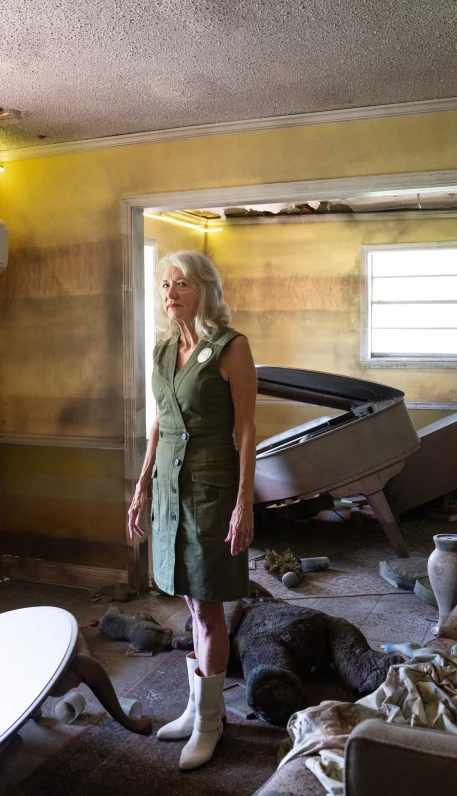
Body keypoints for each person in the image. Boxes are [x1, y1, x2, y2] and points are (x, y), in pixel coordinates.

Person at [126, 250, 257, 771]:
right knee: (187, 596)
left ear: (204, 289)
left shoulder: (231, 347)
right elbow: (158, 426)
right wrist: (140, 488)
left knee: (207, 605)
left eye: (181, 284)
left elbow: (246, 429)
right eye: (164, 285)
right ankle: (199, 710)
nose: (170, 294)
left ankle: (210, 723)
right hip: (167, 488)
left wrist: (245, 501)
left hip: (210, 486)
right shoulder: (162, 352)